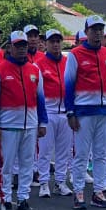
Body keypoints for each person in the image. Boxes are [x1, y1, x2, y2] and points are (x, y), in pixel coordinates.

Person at [0, 31, 48, 210]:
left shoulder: (34, 70)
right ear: (10, 48)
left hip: (30, 124)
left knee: (27, 165)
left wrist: (42, 122)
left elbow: (40, 99)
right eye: (18, 45)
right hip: (7, 126)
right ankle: (5, 200)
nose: (22, 49)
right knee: (6, 165)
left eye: (24, 46)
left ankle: (23, 199)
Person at [63, 16, 106, 210]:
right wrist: (70, 113)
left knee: (101, 154)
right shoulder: (75, 54)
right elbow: (68, 85)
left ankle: (98, 191)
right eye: (94, 29)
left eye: (100, 29)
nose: (98, 33)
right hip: (84, 112)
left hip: (104, 111)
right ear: (86, 32)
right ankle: (78, 192)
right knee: (81, 154)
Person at [33, 29, 70, 199]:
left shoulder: (68, 62)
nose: (56, 44)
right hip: (48, 112)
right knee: (45, 150)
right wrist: (40, 117)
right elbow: (36, 93)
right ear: (46, 43)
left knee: (64, 151)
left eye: (58, 41)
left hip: (65, 112)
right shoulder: (38, 65)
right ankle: (43, 183)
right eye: (52, 41)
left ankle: (60, 182)